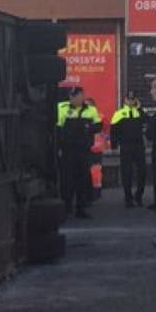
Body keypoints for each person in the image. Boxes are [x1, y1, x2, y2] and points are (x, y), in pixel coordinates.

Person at [57, 87, 101, 218]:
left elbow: (98, 126)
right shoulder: (62, 108)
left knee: (82, 180)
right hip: (68, 151)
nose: (75, 98)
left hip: (83, 150)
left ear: (82, 96)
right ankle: (67, 207)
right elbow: (58, 129)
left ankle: (81, 209)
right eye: (72, 96)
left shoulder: (91, 110)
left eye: (77, 96)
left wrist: (88, 128)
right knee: (67, 181)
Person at [110, 91, 147, 207]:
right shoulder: (119, 114)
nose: (131, 101)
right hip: (126, 146)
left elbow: (147, 120)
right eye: (129, 99)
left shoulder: (139, 112)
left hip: (138, 146)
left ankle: (139, 195)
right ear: (125, 100)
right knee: (127, 173)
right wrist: (114, 145)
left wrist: (140, 108)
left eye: (133, 99)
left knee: (142, 172)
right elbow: (113, 131)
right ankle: (128, 198)